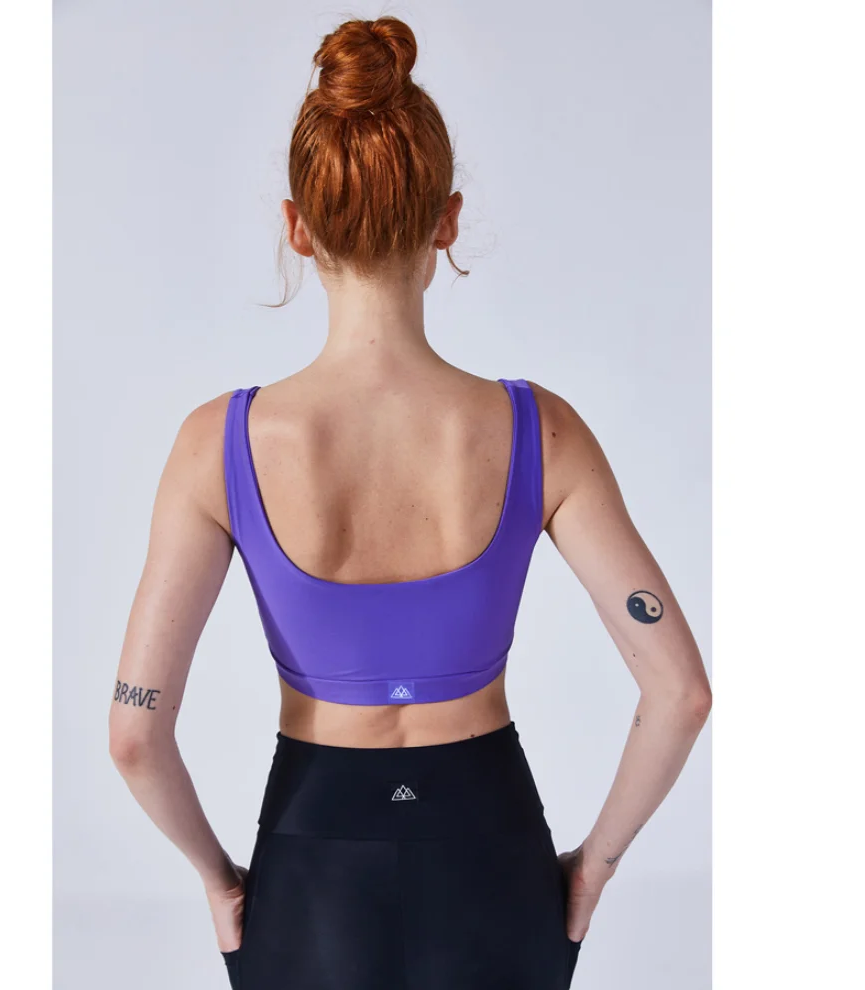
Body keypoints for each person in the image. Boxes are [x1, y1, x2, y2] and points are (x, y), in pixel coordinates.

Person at [108, 16, 711, 990]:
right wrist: (593, 869)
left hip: (312, 867)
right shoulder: (540, 432)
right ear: (448, 219)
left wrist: (218, 881)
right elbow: (681, 694)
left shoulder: (216, 446)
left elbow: (135, 734)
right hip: (493, 855)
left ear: (296, 226)